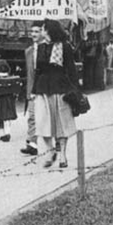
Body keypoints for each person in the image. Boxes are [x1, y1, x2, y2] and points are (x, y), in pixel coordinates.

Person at [33, 19, 78, 169]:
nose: (41, 31)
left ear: (49, 31)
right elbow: (37, 71)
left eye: (43, 29)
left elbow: (71, 69)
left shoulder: (65, 47)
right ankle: (51, 150)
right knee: (43, 123)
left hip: (61, 88)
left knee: (61, 123)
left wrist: (75, 90)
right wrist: (33, 91)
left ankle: (63, 155)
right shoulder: (39, 48)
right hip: (43, 89)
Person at [21, 21, 44, 156]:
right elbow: (29, 74)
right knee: (32, 117)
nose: (34, 34)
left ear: (43, 32)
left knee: (48, 118)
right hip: (32, 91)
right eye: (32, 32)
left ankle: (57, 143)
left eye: (37, 31)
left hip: (45, 89)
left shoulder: (48, 48)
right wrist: (29, 92)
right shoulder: (28, 51)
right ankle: (32, 144)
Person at [0, 59, 19, 142]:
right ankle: (8, 132)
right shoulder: (11, 78)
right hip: (9, 101)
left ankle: (3, 134)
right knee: (8, 118)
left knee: (1, 118)